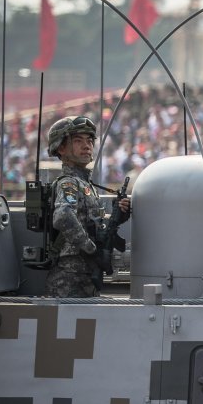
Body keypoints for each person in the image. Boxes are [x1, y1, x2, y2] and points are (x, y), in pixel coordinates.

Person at [44, 116, 131, 297]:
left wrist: (118, 215)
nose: (87, 146)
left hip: (85, 275)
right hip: (69, 277)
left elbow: (90, 222)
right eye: (78, 141)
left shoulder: (86, 185)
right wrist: (92, 249)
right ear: (61, 147)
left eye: (90, 141)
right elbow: (62, 216)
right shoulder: (69, 183)